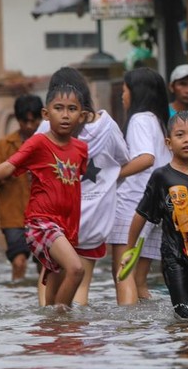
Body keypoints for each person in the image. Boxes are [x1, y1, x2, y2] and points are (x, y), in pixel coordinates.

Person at [0, 84, 88, 310]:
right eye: (59, 108)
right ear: (46, 115)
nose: (66, 115)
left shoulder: (81, 149)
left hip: (68, 226)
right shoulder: (38, 143)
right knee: (76, 269)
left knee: (53, 287)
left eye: (72, 109)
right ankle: (64, 318)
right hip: (41, 223)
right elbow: (9, 166)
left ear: (82, 116)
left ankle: (53, 331)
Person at [37, 67, 131, 306]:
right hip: (93, 219)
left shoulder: (47, 127)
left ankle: (52, 330)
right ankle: (76, 333)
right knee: (82, 282)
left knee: (49, 276)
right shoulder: (107, 127)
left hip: (55, 216)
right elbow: (124, 160)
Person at [120, 111, 188, 318]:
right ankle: (183, 346)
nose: (187, 140)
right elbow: (141, 214)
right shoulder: (161, 177)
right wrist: (129, 250)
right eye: (180, 135)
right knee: (183, 312)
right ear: (169, 143)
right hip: (174, 257)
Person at [109, 67, 172, 305]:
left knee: (123, 275)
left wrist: (112, 175)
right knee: (139, 281)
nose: (122, 96)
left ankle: (130, 332)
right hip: (157, 208)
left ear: (136, 92)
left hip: (132, 206)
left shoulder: (139, 120)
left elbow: (146, 158)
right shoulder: (158, 122)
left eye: (125, 90)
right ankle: (148, 334)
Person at [0, 94, 43, 282]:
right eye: (24, 121)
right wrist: (7, 172)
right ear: (17, 120)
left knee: (46, 265)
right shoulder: (5, 145)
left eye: (33, 120)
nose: (29, 126)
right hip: (13, 216)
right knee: (18, 262)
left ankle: (43, 303)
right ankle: (18, 298)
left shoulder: (48, 142)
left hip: (44, 214)